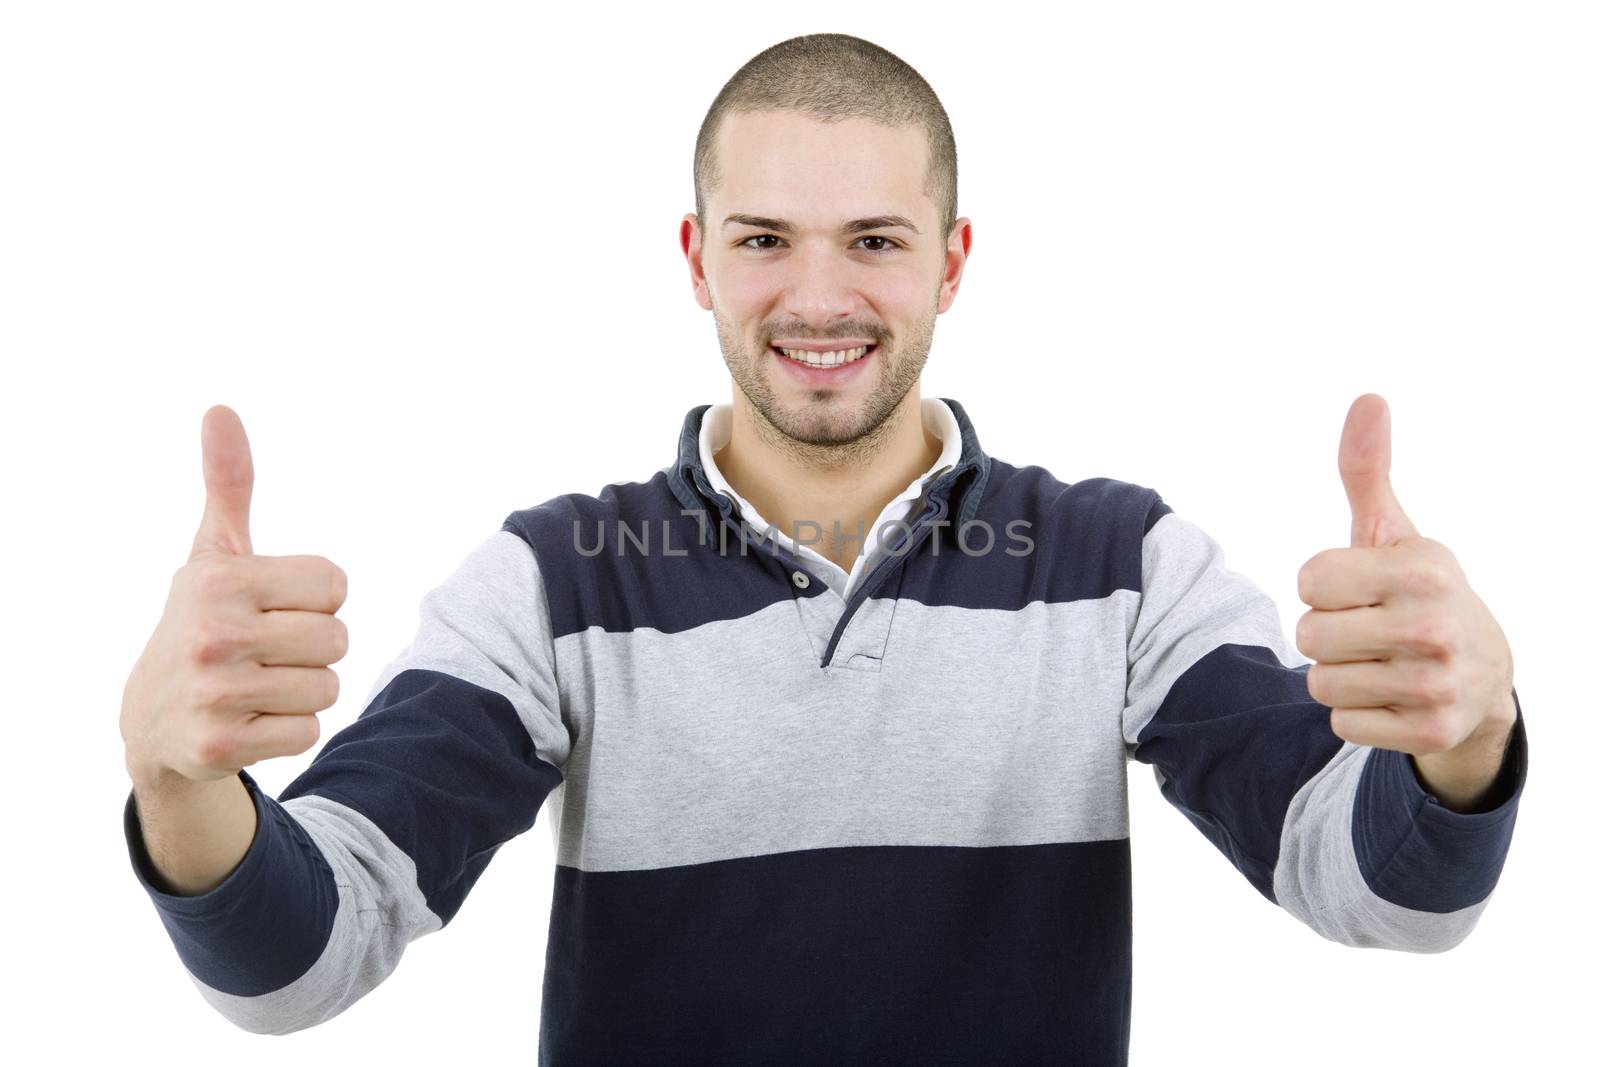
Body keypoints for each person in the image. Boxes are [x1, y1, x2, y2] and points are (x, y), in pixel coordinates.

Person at [120, 32, 1528, 1064]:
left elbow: (1378, 898)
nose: (817, 296)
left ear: (953, 263)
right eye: (763, 240)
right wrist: (181, 782)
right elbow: (300, 969)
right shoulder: (557, 583)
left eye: (872, 239)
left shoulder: (1120, 563)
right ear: (695, 260)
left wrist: (1463, 744)